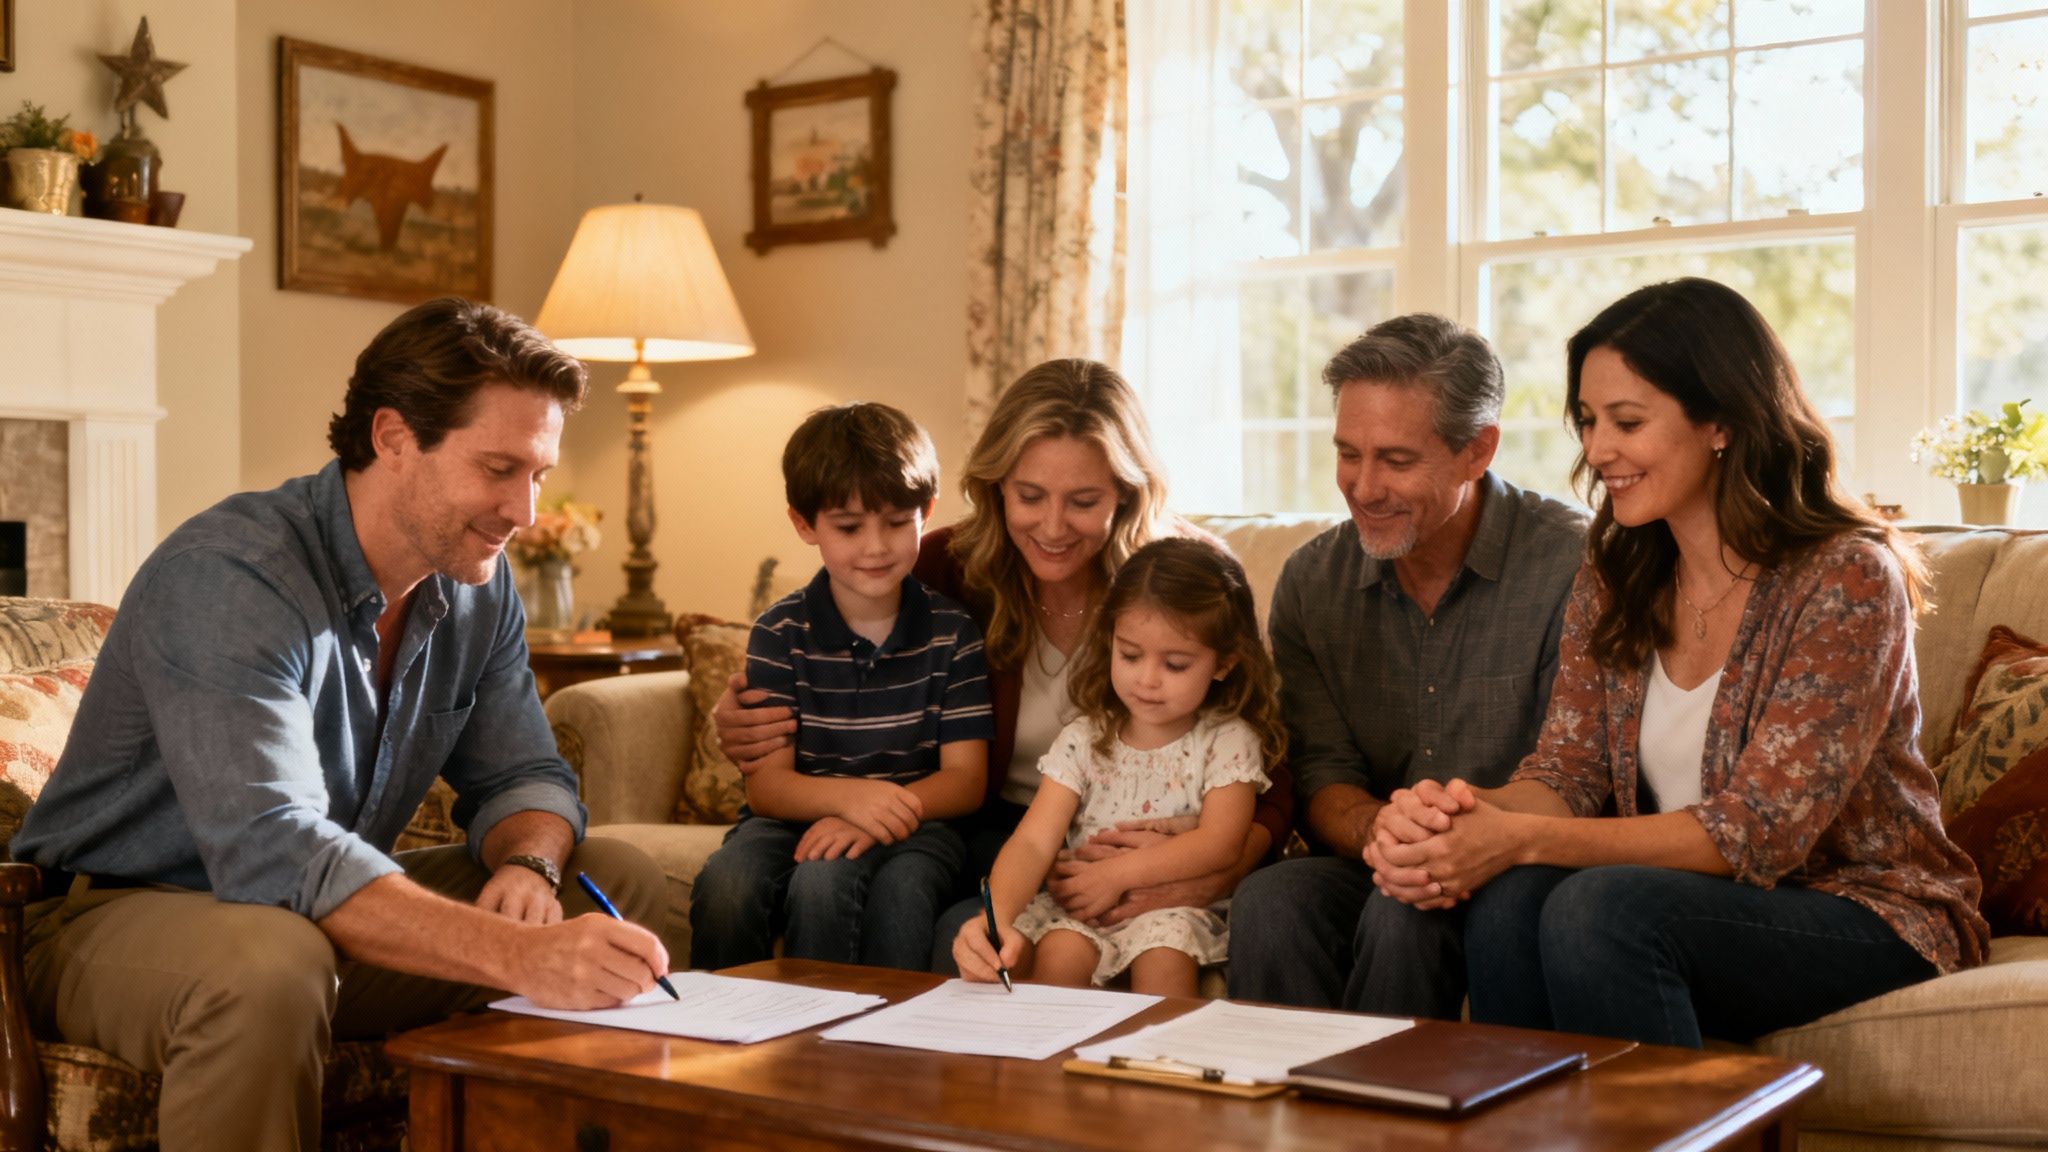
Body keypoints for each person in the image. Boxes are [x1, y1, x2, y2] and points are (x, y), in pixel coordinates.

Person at [8, 298, 672, 1152]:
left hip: (313, 918)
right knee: (266, 965)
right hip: (112, 921)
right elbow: (271, 847)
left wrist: (532, 866)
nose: (527, 511)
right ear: (393, 438)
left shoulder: (477, 583)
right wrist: (519, 957)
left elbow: (522, 777)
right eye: (500, 468)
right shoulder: (231, 575)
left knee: (612, 879)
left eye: (538, 474)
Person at [1369, 278, 1990, 1047]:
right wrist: (1450, 818)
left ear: (1721, 420)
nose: (1598, 451)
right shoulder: (1616, 571)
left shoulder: (1847, 577)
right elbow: (1566, 775)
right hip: (1688, 902)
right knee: (1508, 897)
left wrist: (1519, 839)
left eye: (1627, 422)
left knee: (1597, 907)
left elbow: (1760, 831)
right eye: (1590, 422)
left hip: (1865, 912)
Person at [711, 360, 1294, 971]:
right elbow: (836, 627)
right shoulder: (947, 566)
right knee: (953, 935)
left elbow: (1266, 747)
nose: (1051, 526)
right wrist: (745, 717)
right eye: (1030, 496)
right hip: (998, 831)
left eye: (1083, 501)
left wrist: (1225, 859)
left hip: (1146, 836)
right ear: (996, 486)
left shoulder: (1187, 581)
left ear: (1126, 492)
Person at [1226, 314, 1587, 1018]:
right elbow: (1323, 775)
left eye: (1395, 459)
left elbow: (1575, 777)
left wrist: (1446, 841)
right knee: (1271, 899)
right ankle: (1274, 1123)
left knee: (1406, 915)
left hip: (1516, 865)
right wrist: (1381, 833)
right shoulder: (1311, 582)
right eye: (1347, 453)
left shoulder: (1571, 565)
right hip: (1377, 855)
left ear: (1477, 451)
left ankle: (1387, 1128)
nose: (1362, 487)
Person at [688, 403, 992, 971]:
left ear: (927, 512)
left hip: (920, 821)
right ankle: (717, 1034)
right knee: (728, 884)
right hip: (794, 818)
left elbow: (966, 780)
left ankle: (847, 1048)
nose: (876, 547)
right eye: (849, 527)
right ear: (805, 525)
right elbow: (768, 789)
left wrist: (877, 811)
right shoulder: (779, 632)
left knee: (831, 886)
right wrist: (851, 801)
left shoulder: (954, 632)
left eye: (898, 521)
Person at [955, 538, 1283, 995]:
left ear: (1224, 663)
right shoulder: (1084, 738)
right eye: (1130, 655)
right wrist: (995, 917)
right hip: (1083, 909)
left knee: (1163, 958)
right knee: (1059, 953)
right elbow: (1033, 840)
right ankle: (1052, 1065)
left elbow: (1221, 843)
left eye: (1175, 664)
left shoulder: (1227, 741)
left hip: (1172, 913)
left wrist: (1117, 875)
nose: (1147, 679)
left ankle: (1158, 1066)